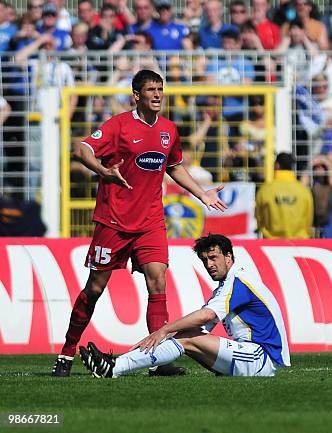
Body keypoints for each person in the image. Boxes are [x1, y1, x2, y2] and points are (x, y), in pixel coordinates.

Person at [51, 70, 228, 377]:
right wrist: (102, 171)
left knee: (157, 280)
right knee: (95, 288)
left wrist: (201, 194)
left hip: (150, 221)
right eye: (151, 89)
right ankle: (66, 353)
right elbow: (81, 150)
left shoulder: (169, 130)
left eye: (161, 89)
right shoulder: (118, 126)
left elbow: (174, 166)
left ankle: (157, 359)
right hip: (114, 221)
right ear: (137, 95)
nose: (157, 94)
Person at [80, 234, 291, 378]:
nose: (209, 265)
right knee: (184, 334)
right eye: (205, 260)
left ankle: (116, 367)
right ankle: (115, 365)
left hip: (261, 358)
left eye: (214, 257)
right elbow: (200, 327)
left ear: (229, 257)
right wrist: (171, 333)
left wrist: (164, 330)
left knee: (183, 335)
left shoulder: (239, 281)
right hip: (251, 357)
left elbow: (206, 316)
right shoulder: (227, 286)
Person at [255, 153, 313, 239]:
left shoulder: (265, 190)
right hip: (299, 243)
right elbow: (308, 220)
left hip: (271, 243)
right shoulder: (304, 191)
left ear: (277, 165)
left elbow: (259, 217)